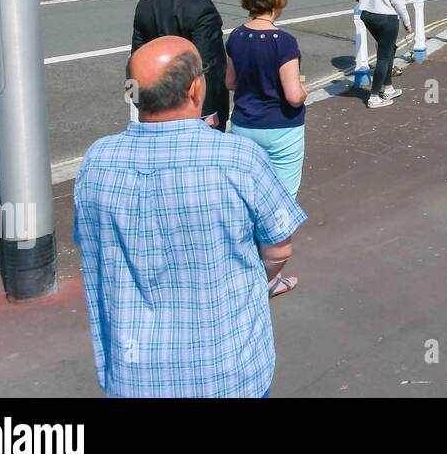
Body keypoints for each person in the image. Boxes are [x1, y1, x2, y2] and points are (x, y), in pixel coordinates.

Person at [74, 37, 306, 397]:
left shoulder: (96, 161)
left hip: (134, 377)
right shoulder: (239, 159)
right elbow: (278, 249)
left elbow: (93, 247)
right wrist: (258, 283)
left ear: (131, 93)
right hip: (229, 372)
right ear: (197, 88)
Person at [131, 0, 228, 129]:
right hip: (190, 106)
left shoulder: (146, 5)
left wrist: (137, 102)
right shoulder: (202, 8)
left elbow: (136, 58)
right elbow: (207, 63)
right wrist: (209, 111)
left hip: (155, 103)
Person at [227, 0, 308, 194]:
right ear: (278, 1)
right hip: (281, 127)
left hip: (244, 124)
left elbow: (230, 82)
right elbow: (293, 96)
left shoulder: (236, 35)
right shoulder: (284, 42)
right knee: (283, 194)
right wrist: (302, 90)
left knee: (247, 190)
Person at [357, 0, 413, 107]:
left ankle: (388, 88)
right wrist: (407, 23)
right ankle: (374, 96)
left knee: (389, 49)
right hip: (386, 18)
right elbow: (398, 1)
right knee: (384, 56)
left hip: (367, 15)